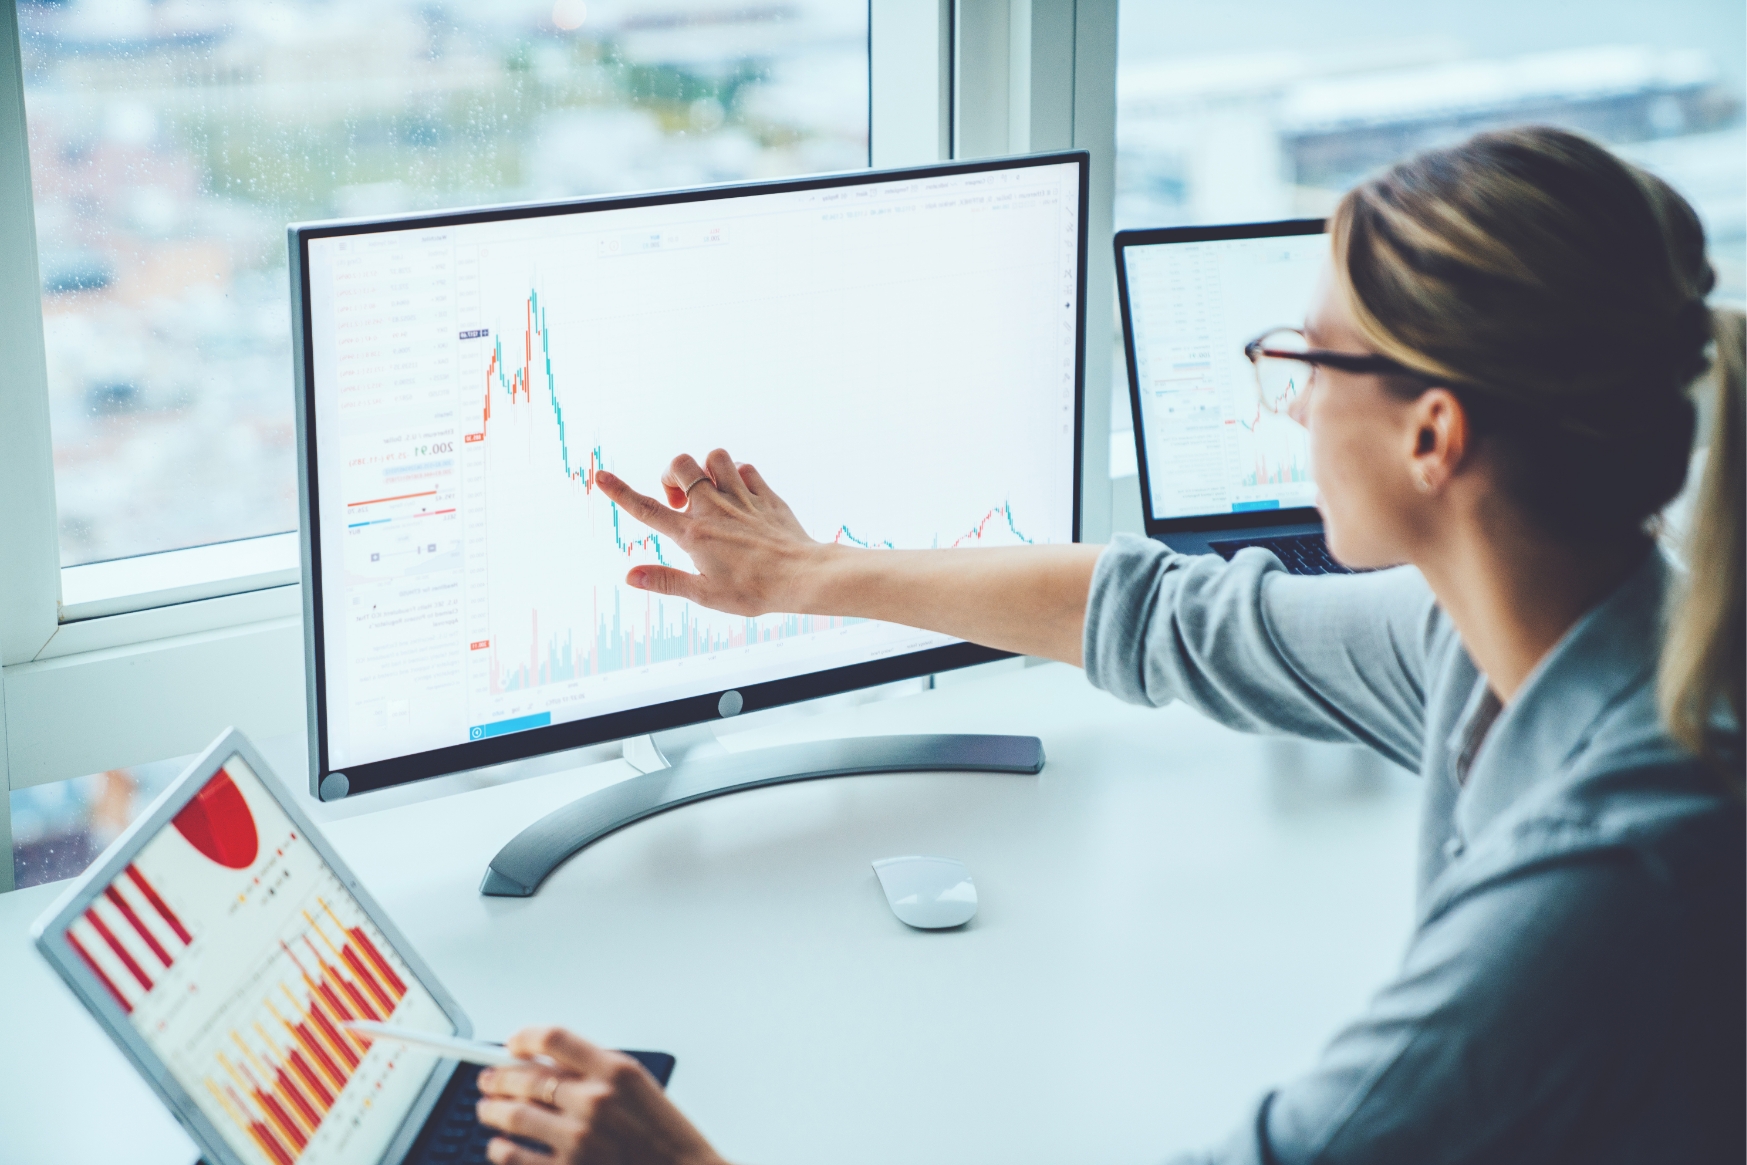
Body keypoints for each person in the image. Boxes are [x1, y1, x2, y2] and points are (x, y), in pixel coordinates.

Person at [472, 127, 1745, 1164]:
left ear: (1434, 437)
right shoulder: (1538, 636)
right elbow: (1164, 615)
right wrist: (807, 573)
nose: (1290, 399)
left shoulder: (1608, 872)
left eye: (1309, 361)